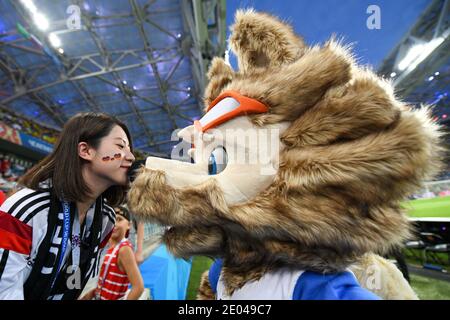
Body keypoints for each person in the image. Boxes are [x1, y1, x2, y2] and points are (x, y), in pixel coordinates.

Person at [0, 112, 135, 300]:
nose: (131, 157)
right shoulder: (26, 209)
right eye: (120, 146)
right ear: (86, 151)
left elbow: (75, 282)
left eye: (129, 149)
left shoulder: (106, 220)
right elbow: (4, 290)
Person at [81, 206, 144, 300]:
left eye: (119, 219)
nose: (114, 224)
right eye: (113, 219)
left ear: (129, 225)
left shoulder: (124, 249)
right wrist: (92, 293)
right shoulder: (111, 247)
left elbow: (138, 288)